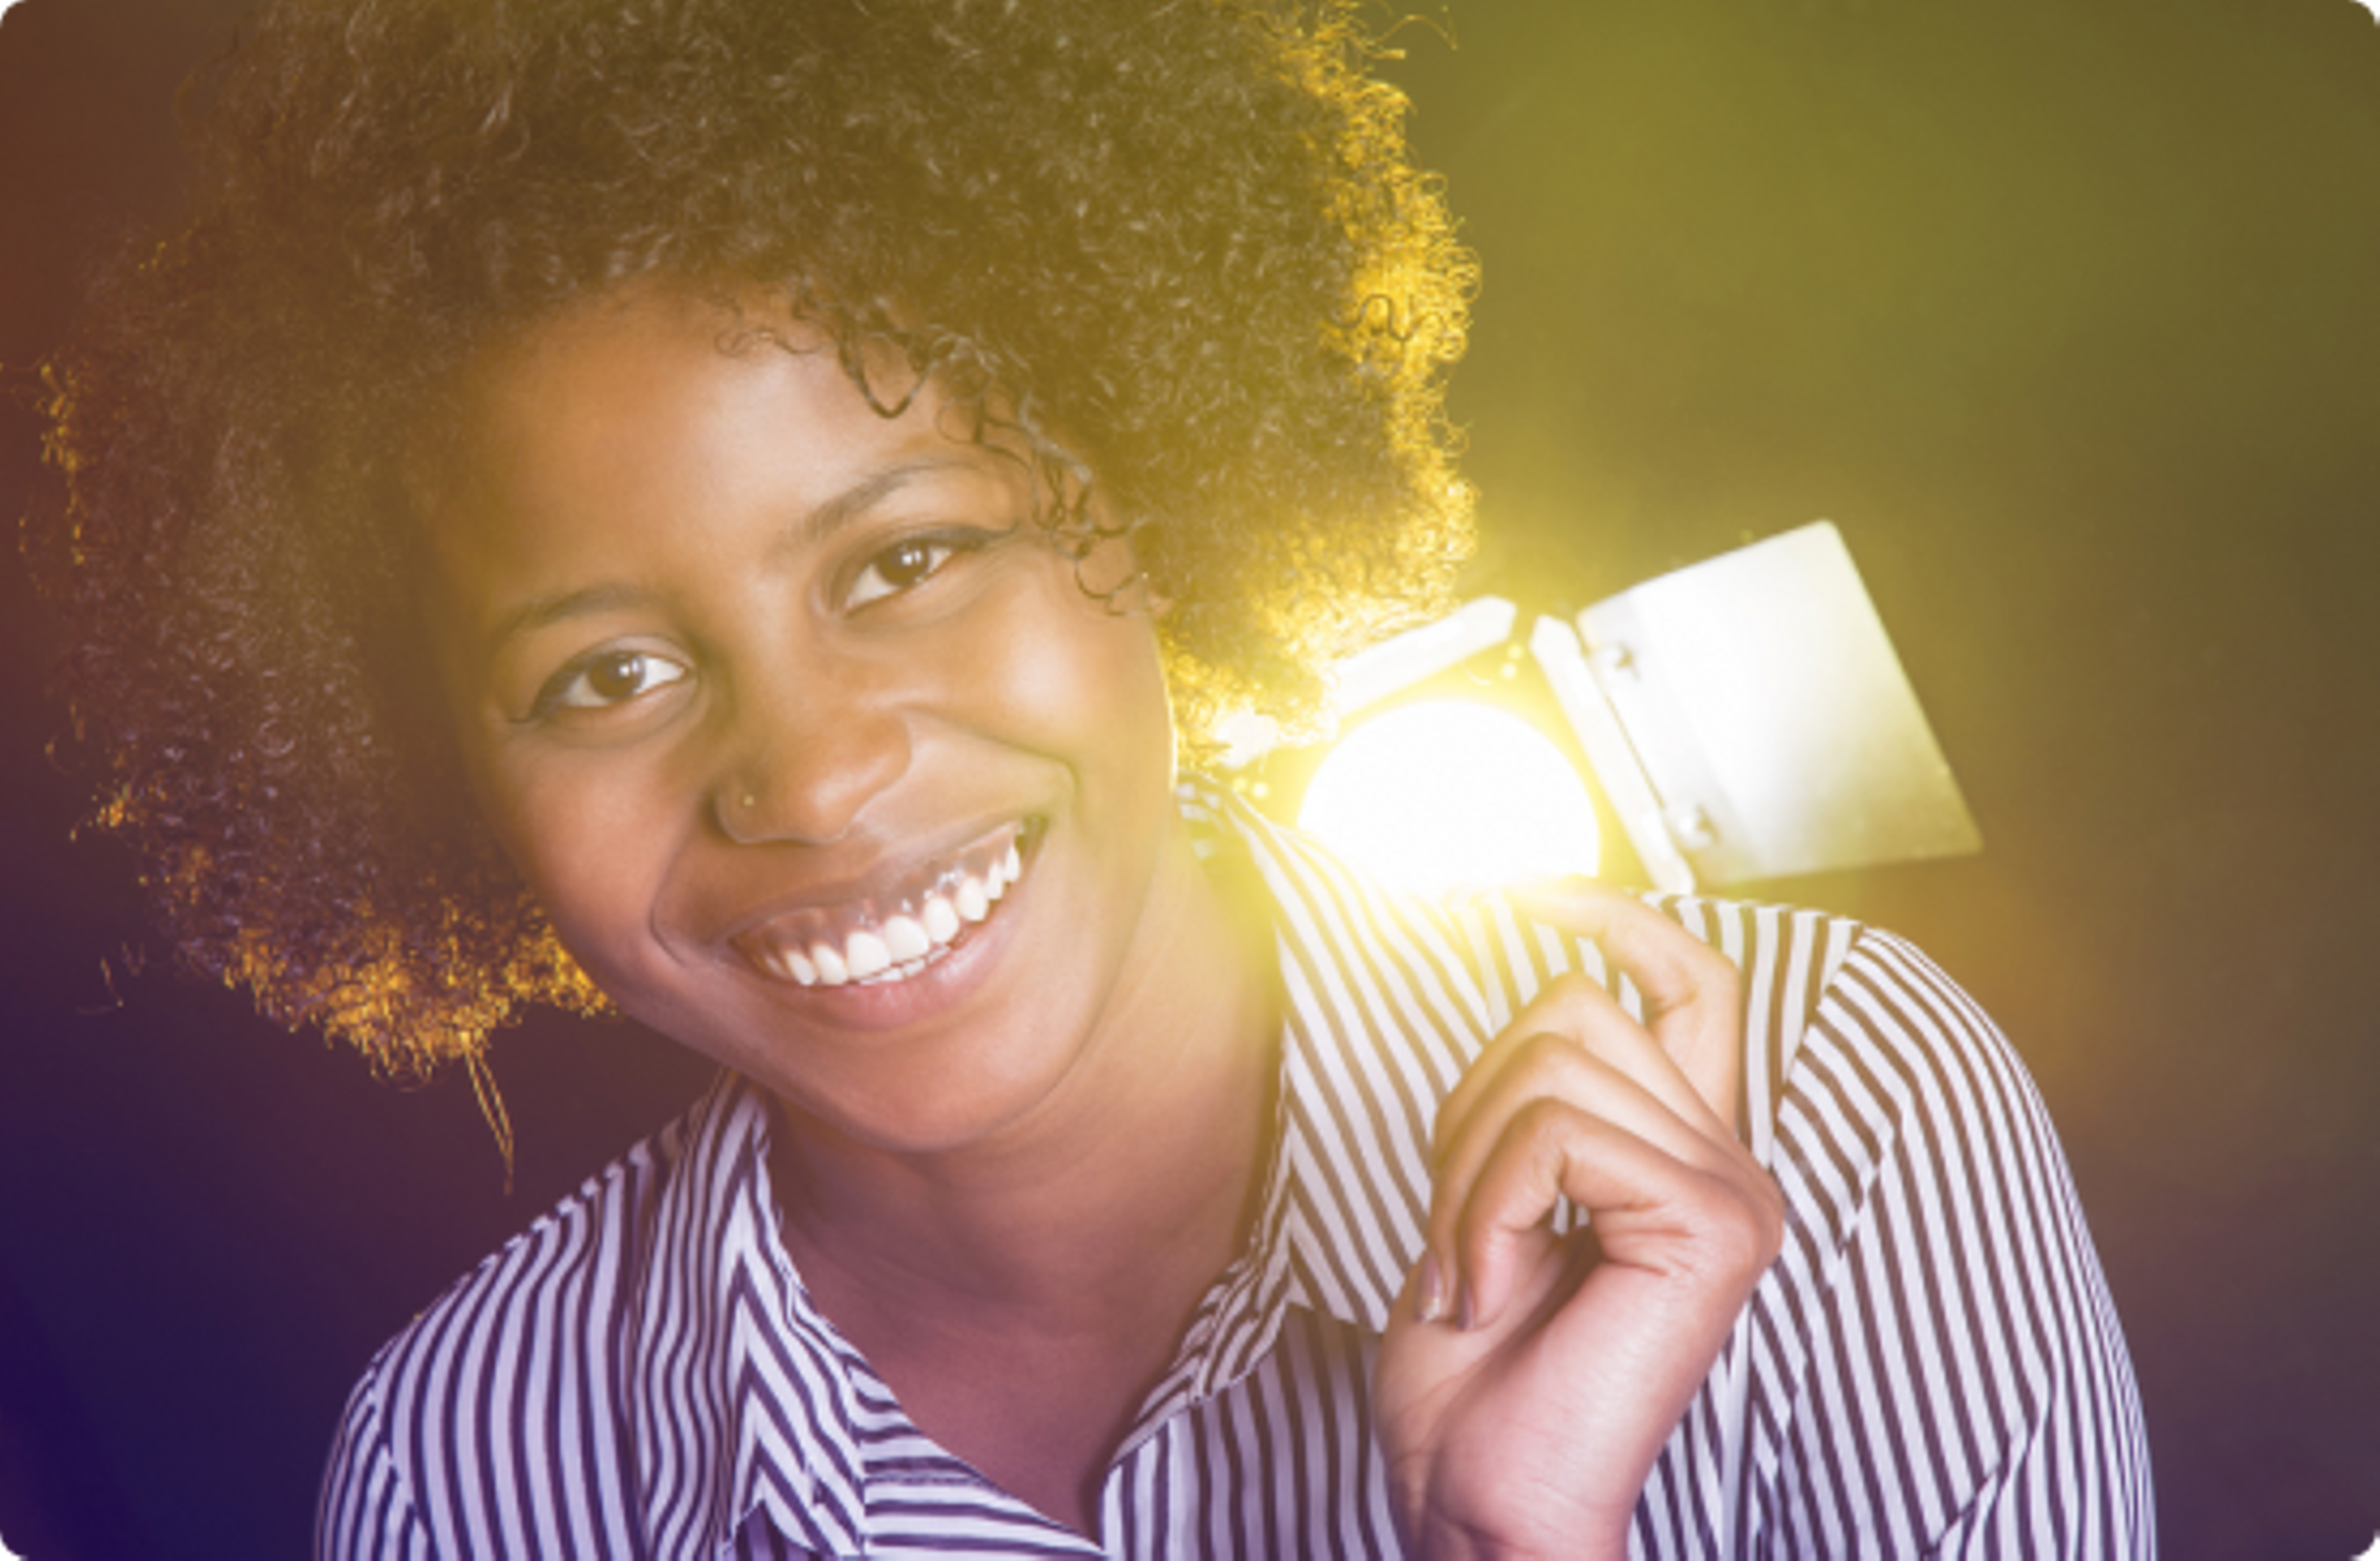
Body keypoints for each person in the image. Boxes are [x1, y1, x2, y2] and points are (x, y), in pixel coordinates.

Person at [28, 0, 2152, 1555]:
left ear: (1153, 494)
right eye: (606, 674)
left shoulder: (1822, 1105)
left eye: (909, 556)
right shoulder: (475, 1475)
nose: (817, 769)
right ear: (440, 777)